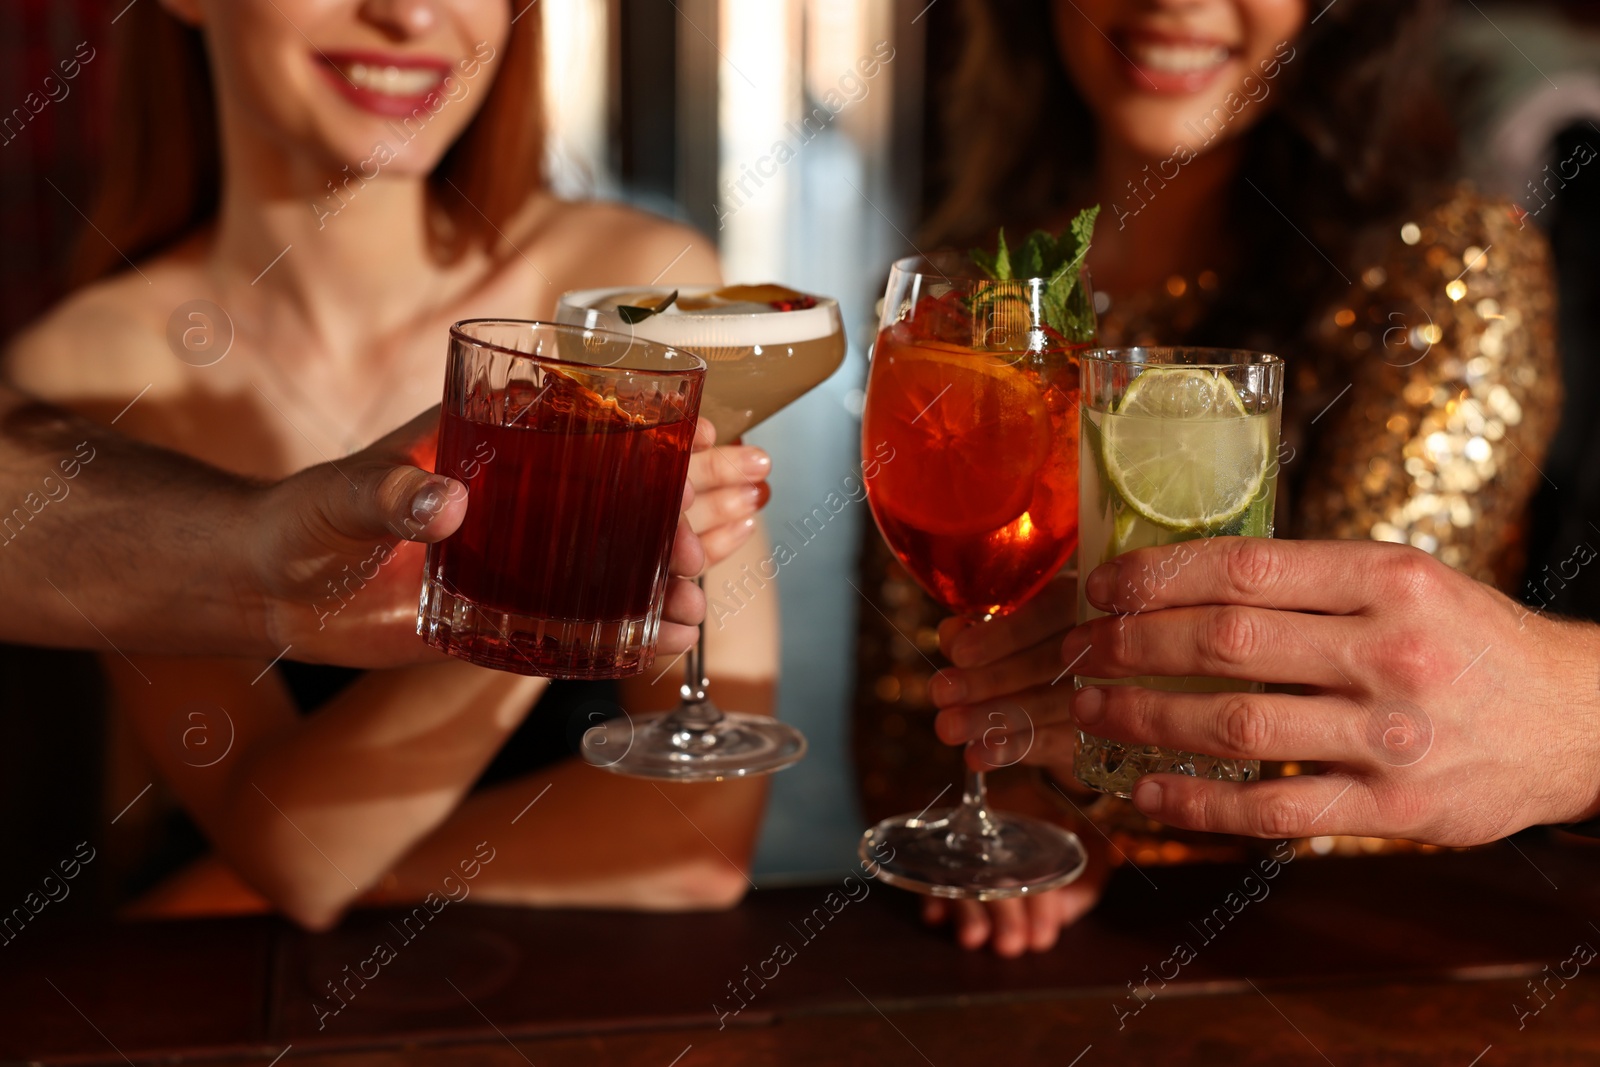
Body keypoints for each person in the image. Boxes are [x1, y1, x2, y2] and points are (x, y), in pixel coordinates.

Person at [2, 0, 776, 929]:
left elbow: (699, 827)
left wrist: (243, 893)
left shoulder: (642, 290)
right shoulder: (84, 372)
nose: (409, 15)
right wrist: (560, 581)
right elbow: (291, 843)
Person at [854, 0, 1562, 955]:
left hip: (1319, 955)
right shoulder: (966, 297)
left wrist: (1098, 806)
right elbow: (903, 713)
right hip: (998, 958)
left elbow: (1385, 737)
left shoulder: (1439, 271)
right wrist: (1005, 791)